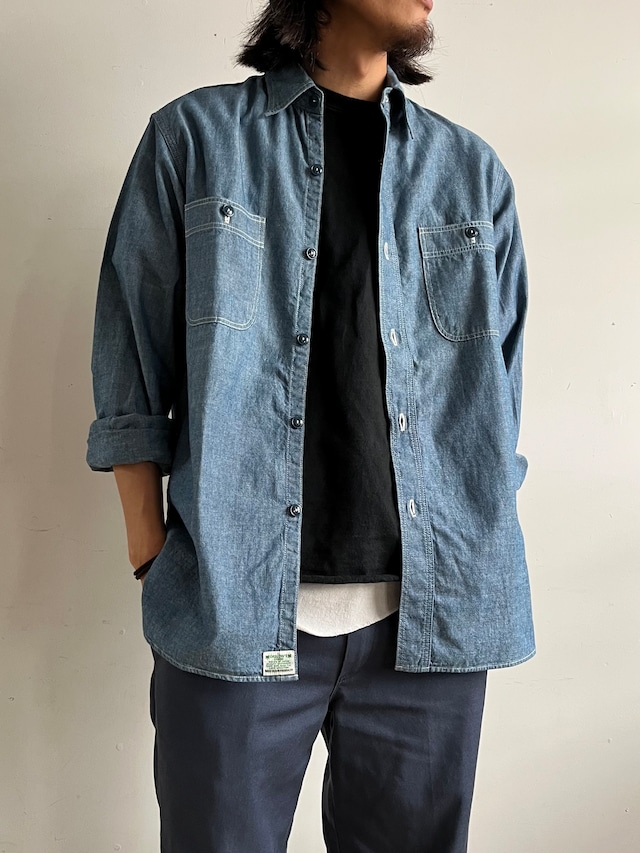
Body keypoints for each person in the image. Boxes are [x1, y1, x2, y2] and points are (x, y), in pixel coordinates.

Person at [86, 0, 535, 850]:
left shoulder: (471, 174)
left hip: (429, 629)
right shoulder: (195, 140)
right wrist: (151, 549)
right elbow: (131, 356)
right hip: (231, 616)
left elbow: (498, 400)